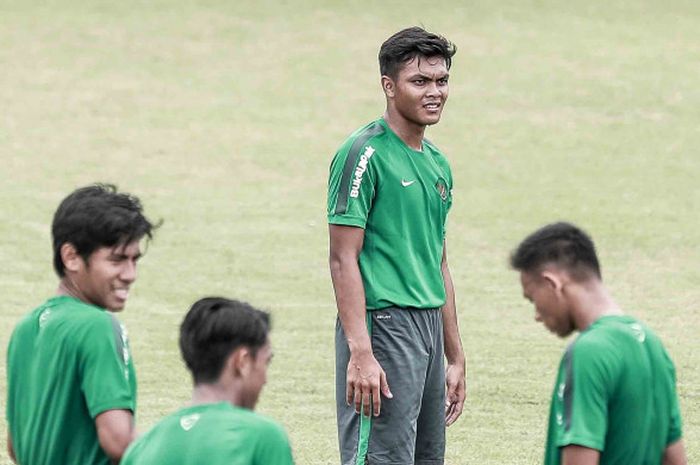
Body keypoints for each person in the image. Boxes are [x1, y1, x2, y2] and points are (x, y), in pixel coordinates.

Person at [327, 26, 466, 465]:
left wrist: (455, 355)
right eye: (420, 82)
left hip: (428, 332)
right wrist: (361, 352)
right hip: (385, 327)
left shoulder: (438, 163)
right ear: (389, 86)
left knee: (426, 458)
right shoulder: (363, 153)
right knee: (381, 459)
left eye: (441, 80)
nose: (435, 92)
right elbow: (342, 257)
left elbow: (438, 264)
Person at [510, 222, 687, 465]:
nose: (537, 315)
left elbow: (581, 454)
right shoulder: (651, 343)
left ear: (552, 283)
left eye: (532, 298)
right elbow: (674, 457)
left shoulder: (589, 352)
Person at [5, 183, 158, 464]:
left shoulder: (25, 329)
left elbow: (15, 446)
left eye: (135, 260)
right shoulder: (96, 326)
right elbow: (119, 441)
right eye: (117, 260)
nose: (130, 274)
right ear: (71, 257)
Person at [121, 297, 294, 465]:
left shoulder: (141, 448)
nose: (265, 379)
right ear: (243, 361)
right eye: (266, 362)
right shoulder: (261, 437)